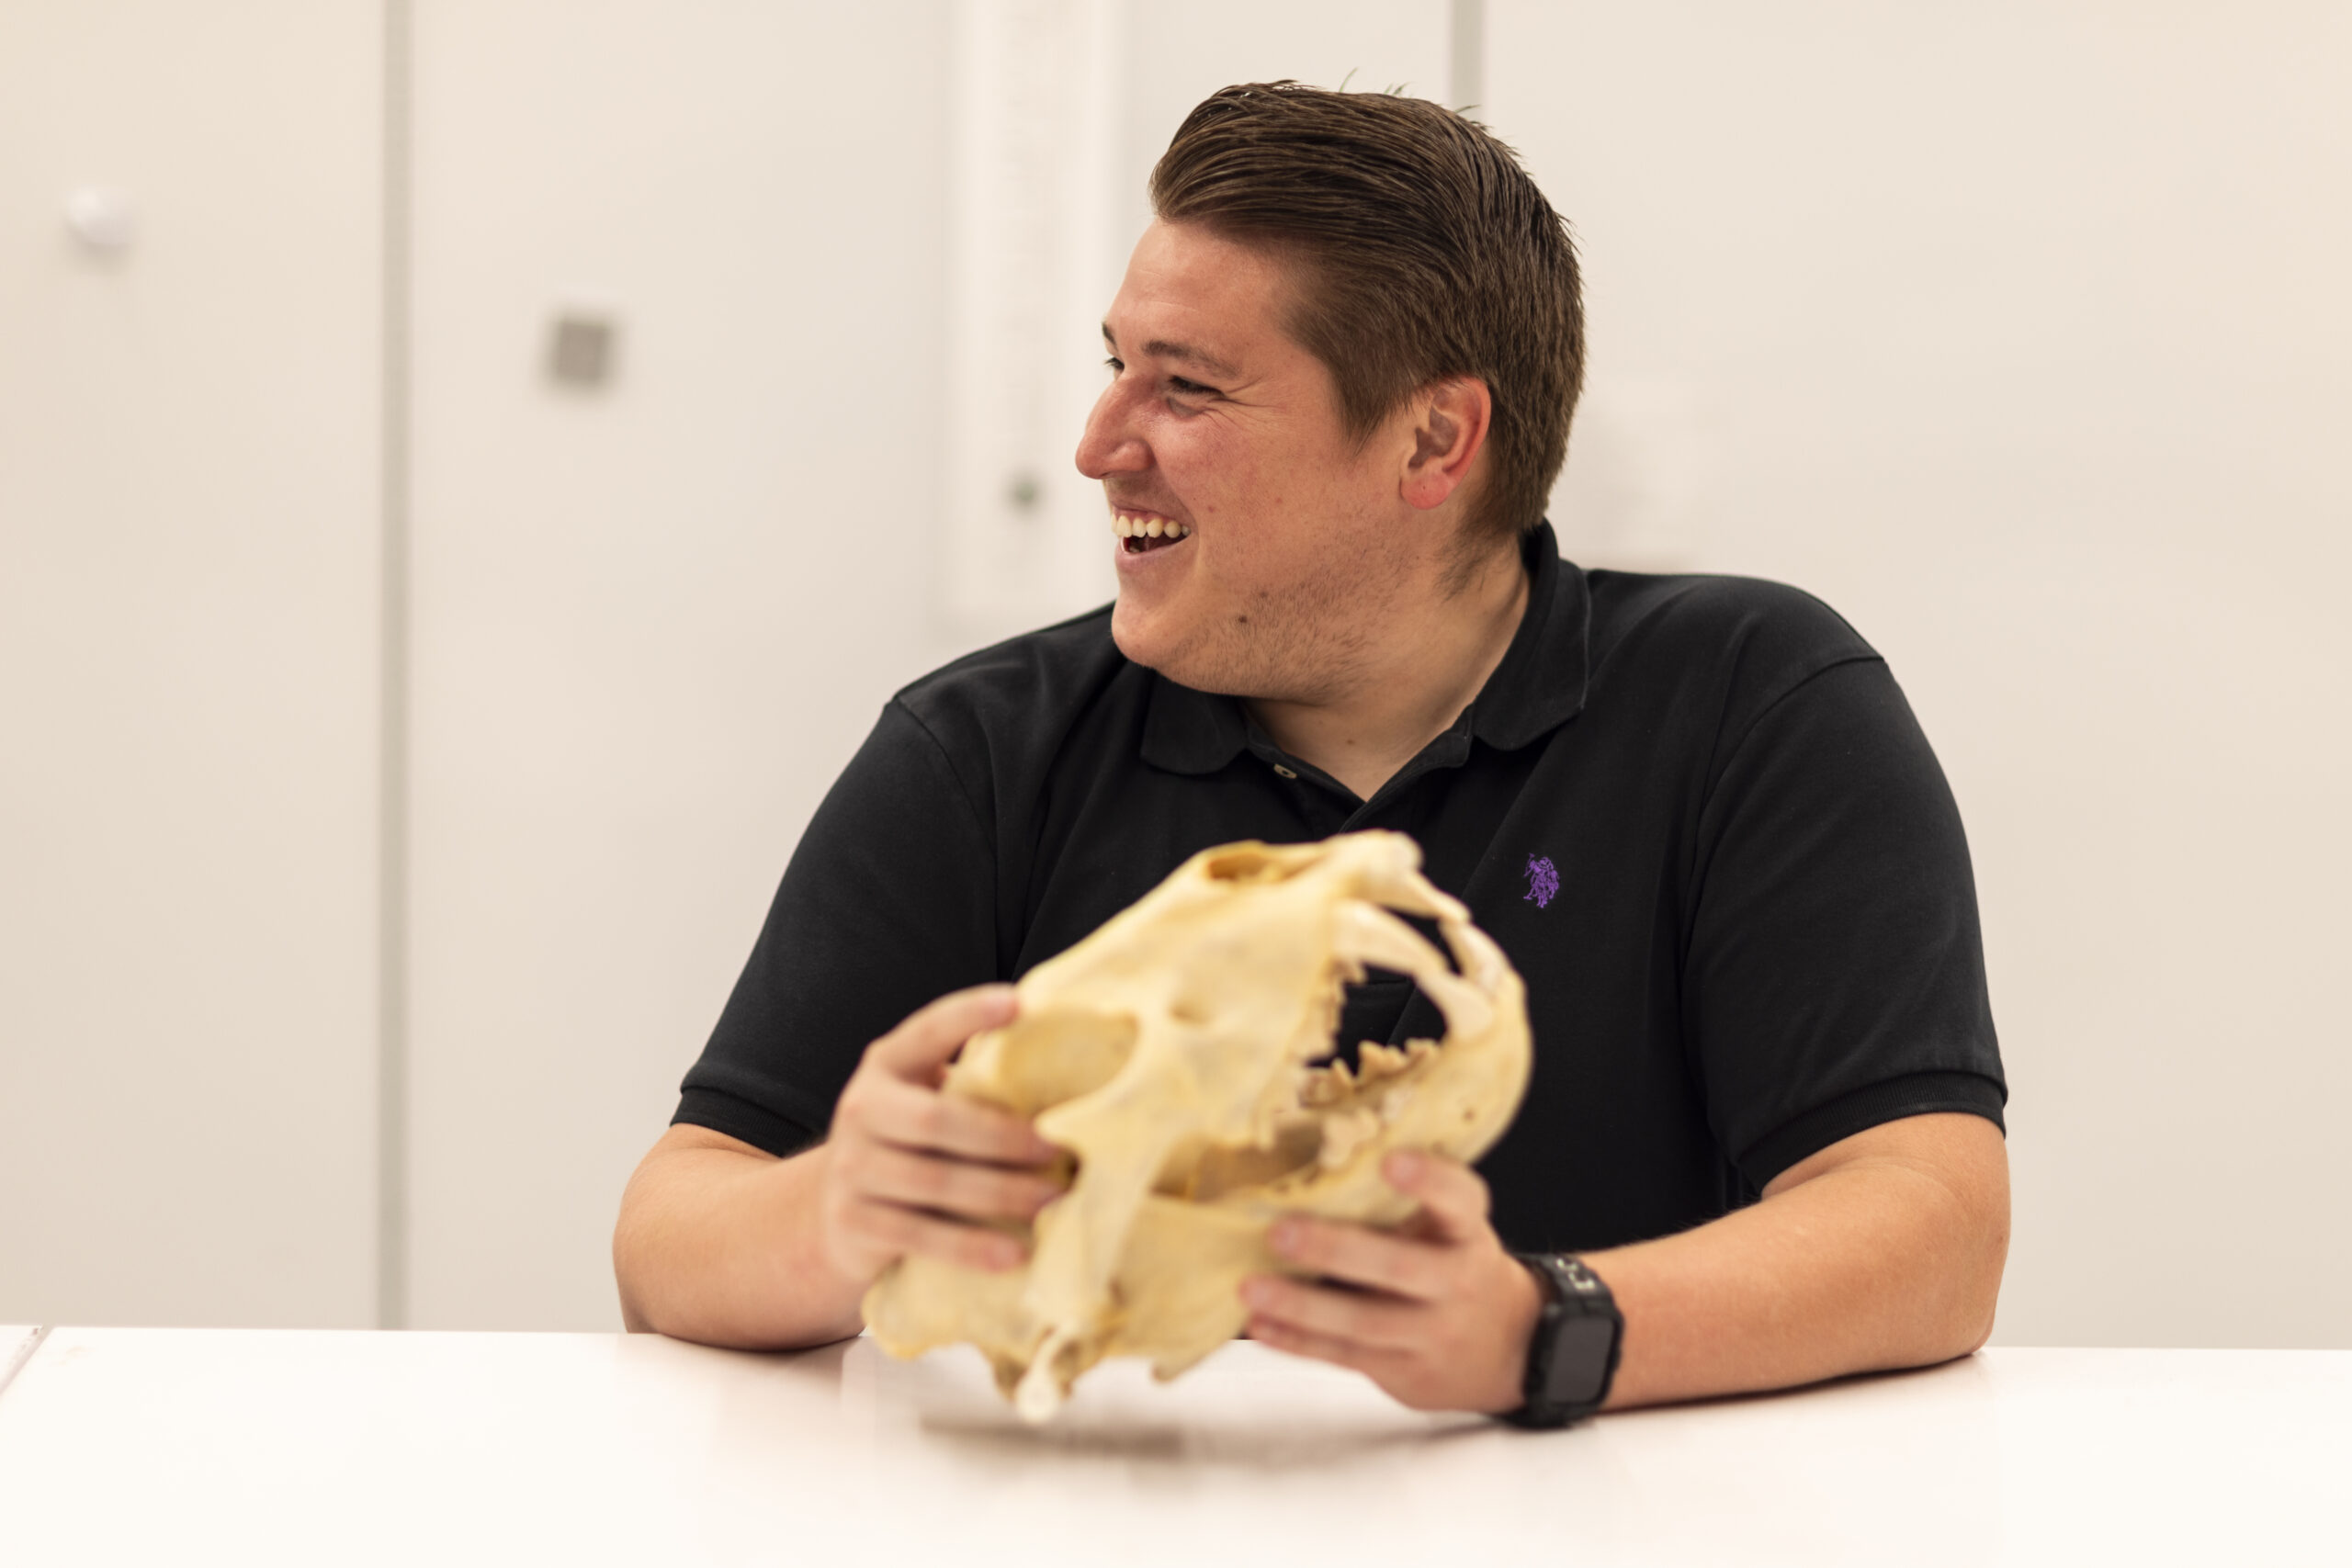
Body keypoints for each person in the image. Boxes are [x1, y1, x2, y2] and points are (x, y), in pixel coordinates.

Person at [614, 83, 2008, 1421]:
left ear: (1433, 439)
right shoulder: (982, 748)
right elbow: (674, 1227)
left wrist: (1539, 1332)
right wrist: (838, 1208)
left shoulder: (1751, 703)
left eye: (1191, 389)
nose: (1100, 445)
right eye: (1115, 367)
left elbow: (1928, 1222)